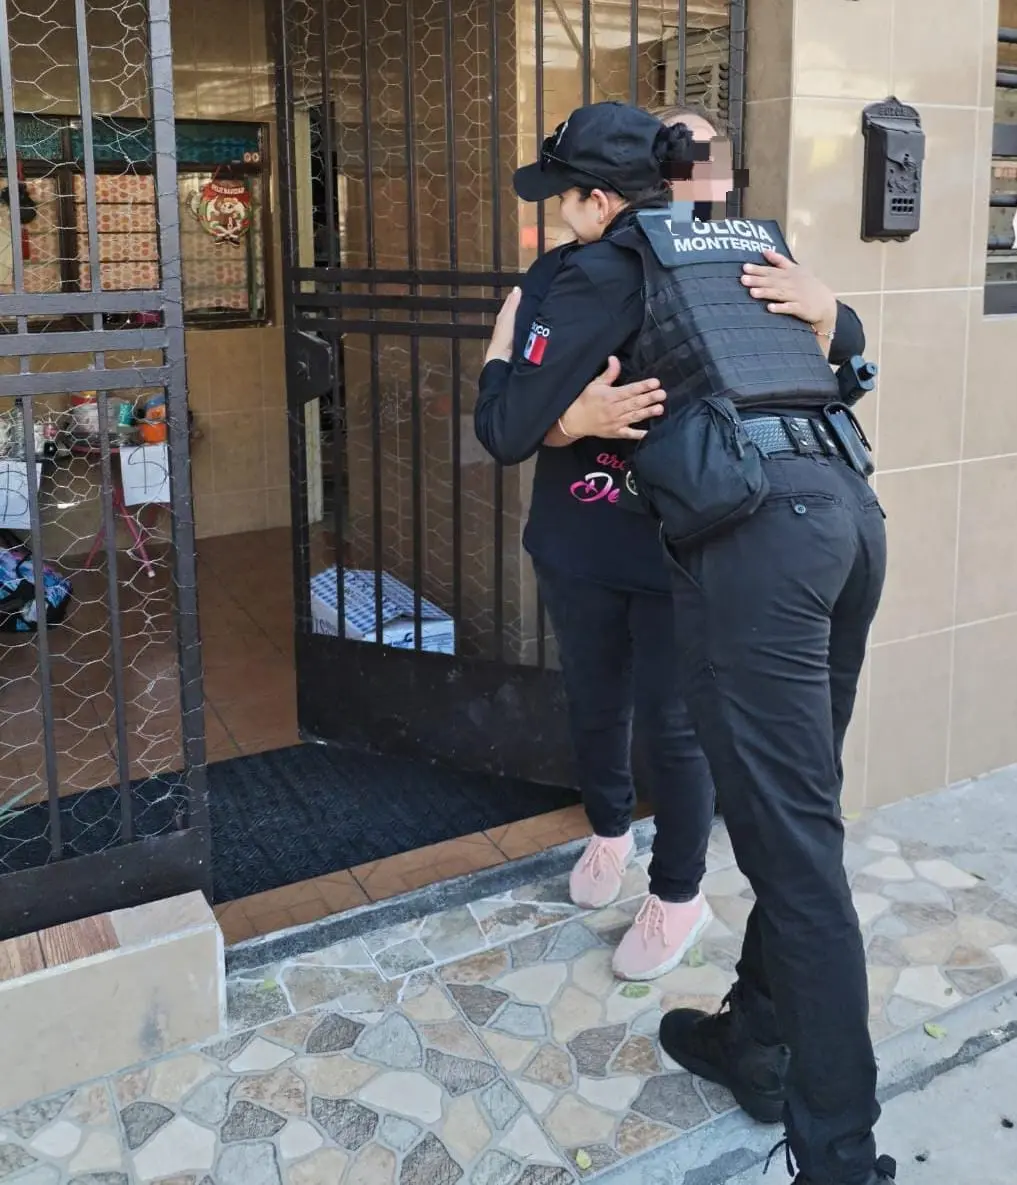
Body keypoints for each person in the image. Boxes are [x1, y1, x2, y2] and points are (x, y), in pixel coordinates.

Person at [484, 101, 892, 1185]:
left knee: (797, 861)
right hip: (848, 516)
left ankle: (841, 1158)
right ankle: (753, 1041)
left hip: (758, 547)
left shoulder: (599, 266)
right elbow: (847, 364)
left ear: (600, 199)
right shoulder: (745, 243)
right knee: (804, 821)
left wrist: (503, 366)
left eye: (561, 200)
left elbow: (506, 427)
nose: (552, 223)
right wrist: (842, 313)